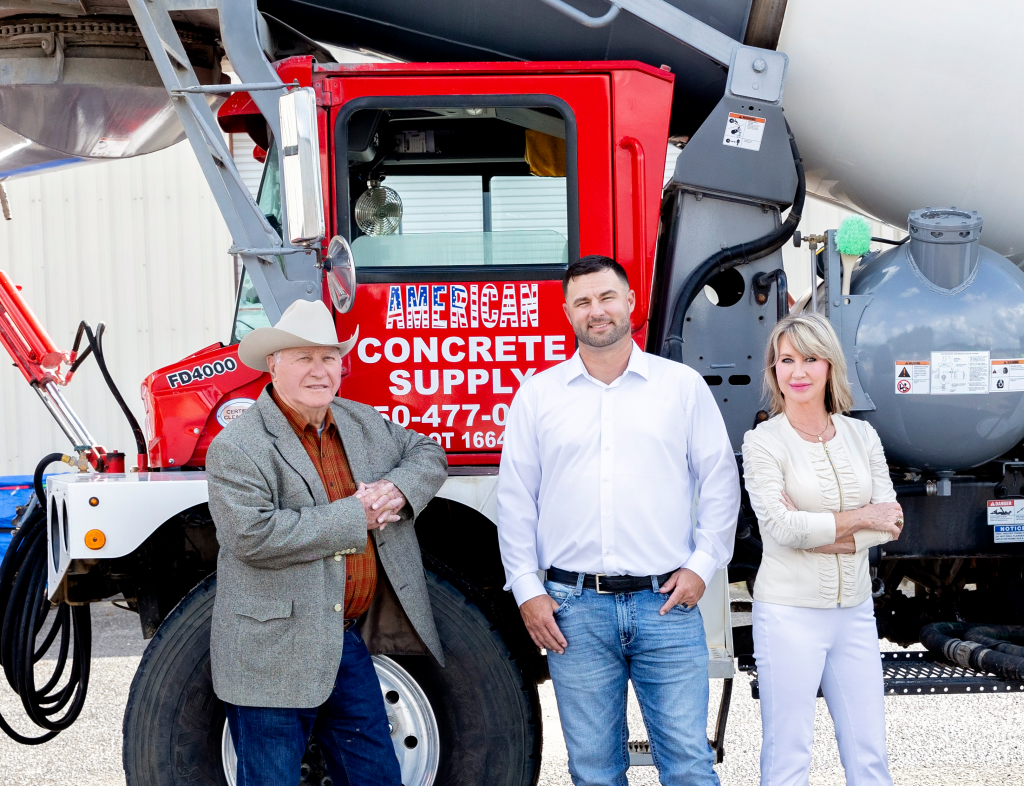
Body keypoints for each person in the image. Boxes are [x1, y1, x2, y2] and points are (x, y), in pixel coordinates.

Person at [497, 255, 740, 786]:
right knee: (594, 770)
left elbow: (720, 480)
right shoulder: (538, 396)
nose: (596, 310)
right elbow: (515, 500)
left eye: (607, 297)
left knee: (689, 764)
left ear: (630, 303)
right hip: (573, 610)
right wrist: (526, 590)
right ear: (566, 312)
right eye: (583, 301)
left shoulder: (680, 387)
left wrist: (702, 566)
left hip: (667, 605)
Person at [206, 298, 448, 786]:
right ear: (273, 365)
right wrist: (354, 516)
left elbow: (427, 451)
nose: (319, 370)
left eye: (329, 357)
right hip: (268, 655)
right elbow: (251, 536)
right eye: (303, 357)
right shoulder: (238, 446)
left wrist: (399, 489)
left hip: (343, 644)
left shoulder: (359, 421)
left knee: (378, 778)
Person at [741, 312, 904, 786]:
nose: (797, 372)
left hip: (854, 611)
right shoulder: (763, 442)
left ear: (829, 365)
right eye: (786, 360)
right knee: (788, 755)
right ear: (773, 370)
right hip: (788, 614)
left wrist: (816, 531)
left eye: (810, 359)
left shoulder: (862, 435)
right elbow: (780, 529)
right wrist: (860, 518)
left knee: (869, 753)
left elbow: (890, 521)